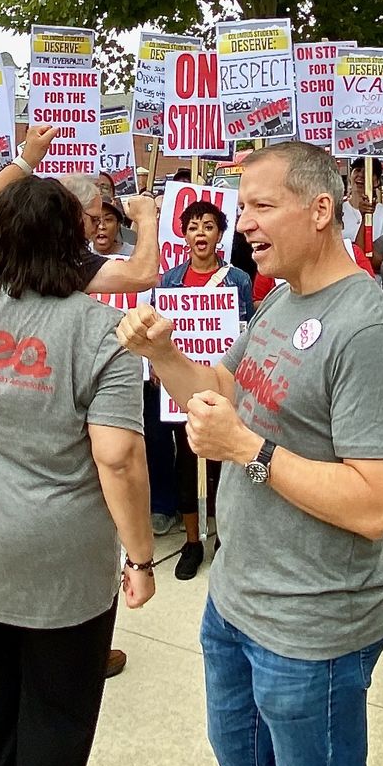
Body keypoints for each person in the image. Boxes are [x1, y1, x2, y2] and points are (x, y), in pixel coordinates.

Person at [119, 141, 383, 766]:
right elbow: (224, 391)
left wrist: (246, 449)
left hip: (313, 631)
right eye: (241, 205)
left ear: (319, 210)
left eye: (261, 205)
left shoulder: (366, 333)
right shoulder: (282, 299)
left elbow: (373, 506)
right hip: (234, 602)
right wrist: (164, 354)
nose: (244, 222)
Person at [0, 125, 154, 766]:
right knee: (55, 719)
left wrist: (25, 161)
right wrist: (140, 557)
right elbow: (118, 459)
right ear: (77, 244)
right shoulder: (102, 330)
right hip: (57, 563)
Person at [146, 200, 254, 581]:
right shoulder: (169, 281)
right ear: (184, 233)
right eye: (193, 226)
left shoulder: (238, 280)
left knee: (224, 462)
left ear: (220, 234)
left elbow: (246, 332)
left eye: (208, 226)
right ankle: (192, 542)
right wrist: (160, 365)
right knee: (186, 461)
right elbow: (160, 336)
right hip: (182, 388)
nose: (200, 234)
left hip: (223, 384)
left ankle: (225, 538)